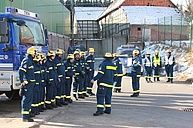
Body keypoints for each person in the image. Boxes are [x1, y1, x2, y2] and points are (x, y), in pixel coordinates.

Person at [18, 47, 36, 122]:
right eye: (35, 53)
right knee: (26, 100)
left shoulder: (30, 61)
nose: (35, 54)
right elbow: (21, 71)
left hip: (31, 84)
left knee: (29, 99)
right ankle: (25, 116)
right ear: (32, 53)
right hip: (28, 85)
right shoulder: (27, 61)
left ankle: (28, 114)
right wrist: (23, 81)